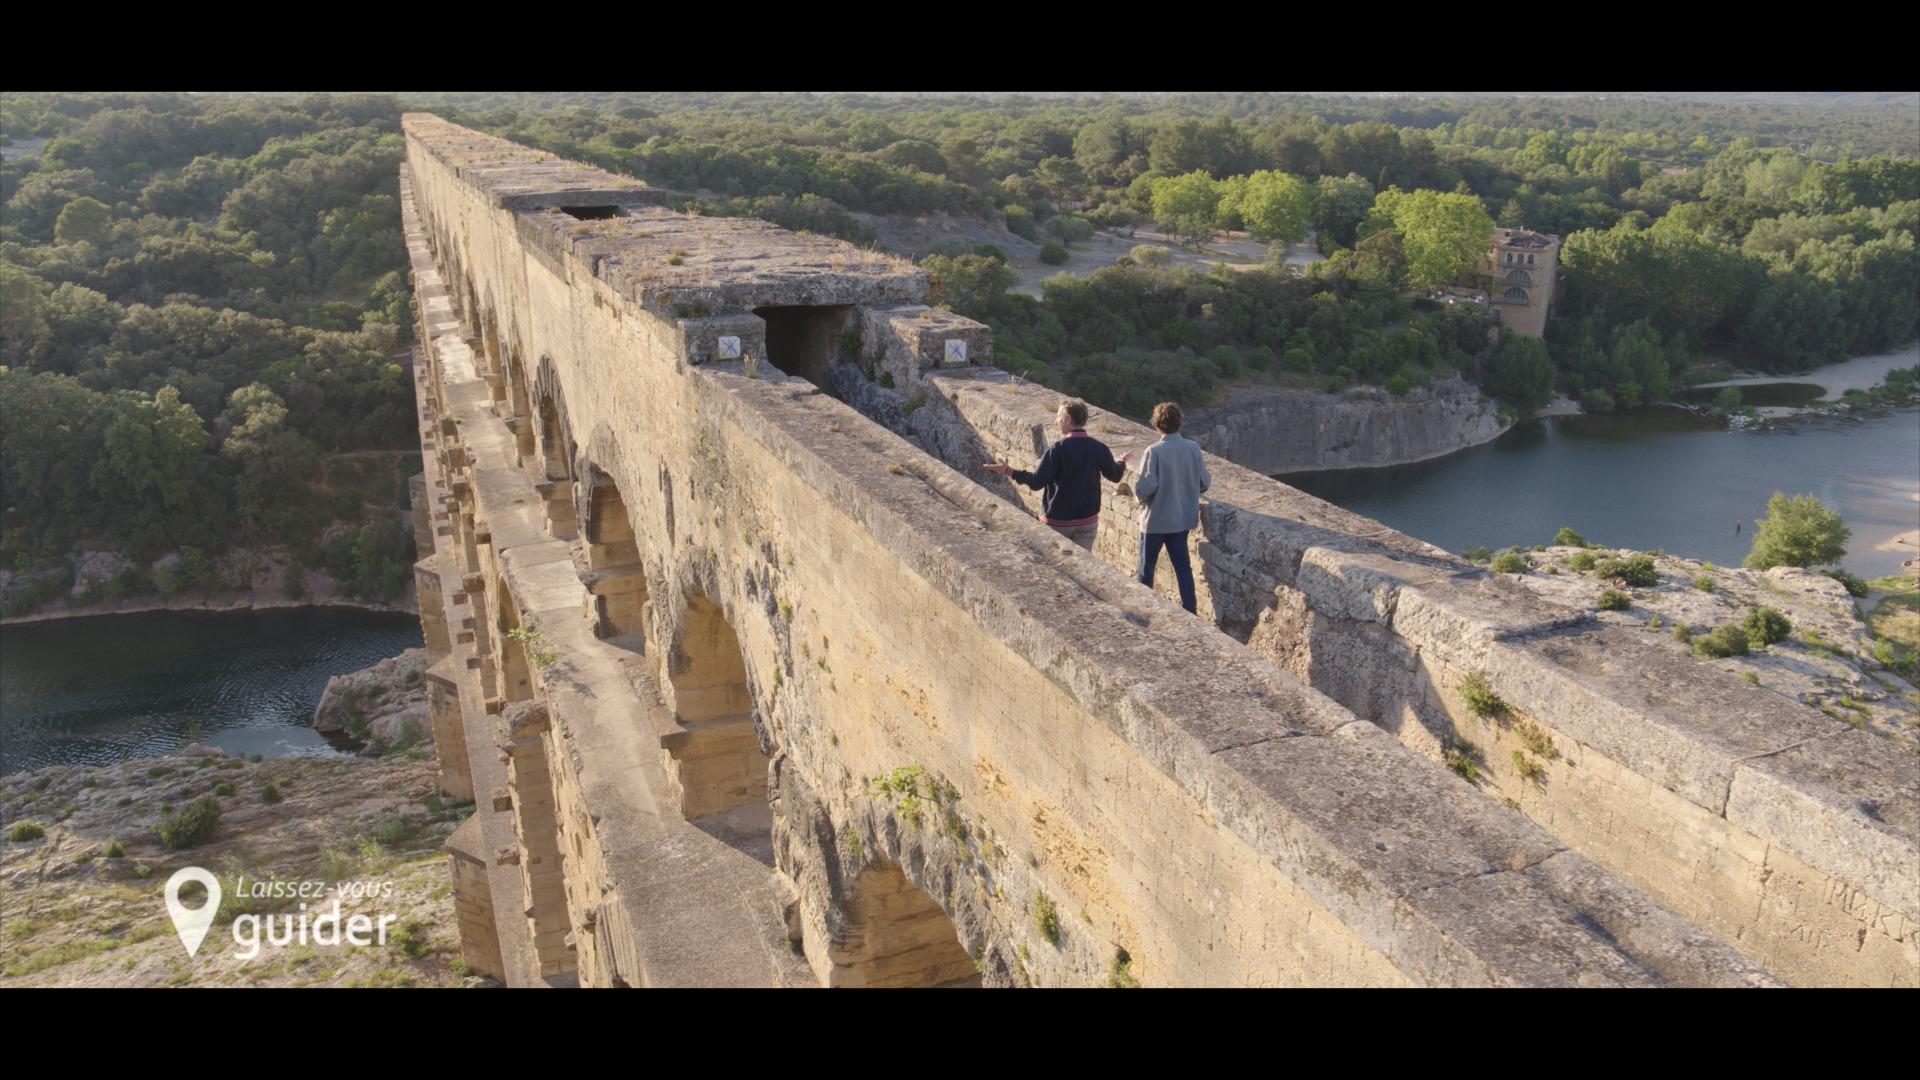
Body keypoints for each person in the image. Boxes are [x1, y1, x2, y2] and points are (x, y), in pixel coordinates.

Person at [984, 398, 1125, 551]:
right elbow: (1115, 476)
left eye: (1058, 416)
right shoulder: (1099, 448)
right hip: (1087, 522)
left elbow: (1037, 482)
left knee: (1057, 568)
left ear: (1068, 420)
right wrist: (1121, 462)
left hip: (1059, 523)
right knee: (1080, 567)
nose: (1056, 420)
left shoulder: (1057, 450)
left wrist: (1008, 471)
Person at [1129, 401, 1210, 614]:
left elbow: (1146, 487)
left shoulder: (1153, 452)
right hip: (1181, 520)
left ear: (1157, 424)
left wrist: (1136, 494)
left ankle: (1143, 609)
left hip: (1155, 520)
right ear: (1179, 422)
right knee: (1183, 568)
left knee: (1146, 569)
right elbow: (1204, 483)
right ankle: (1190, 610)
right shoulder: (1193, 448)